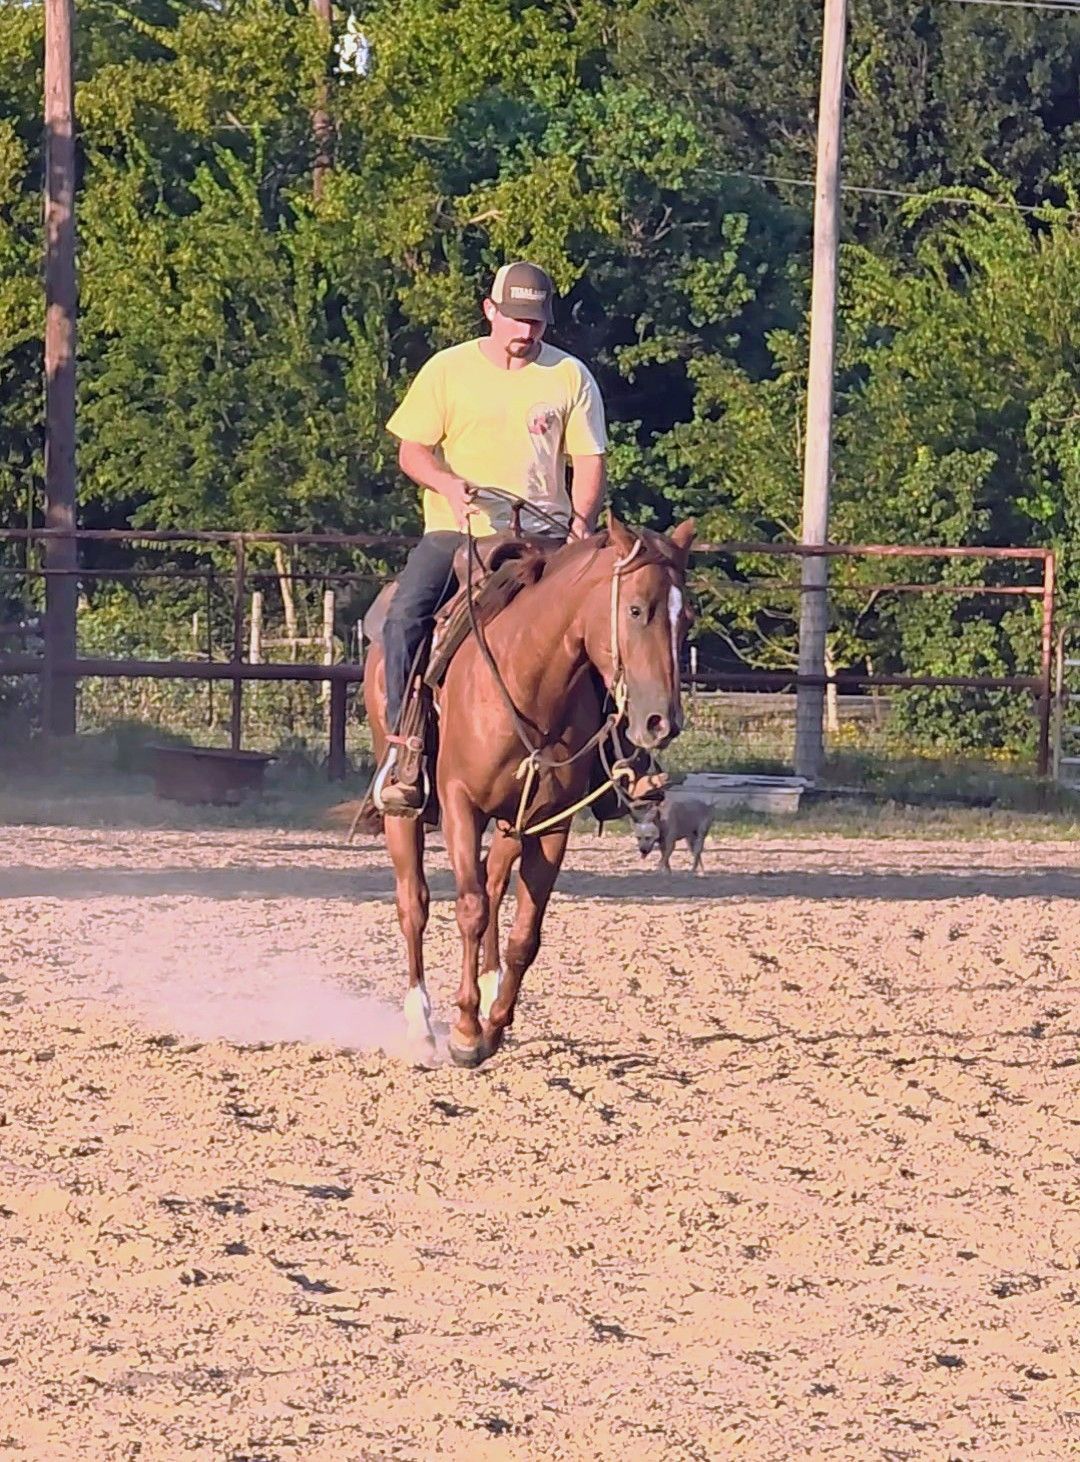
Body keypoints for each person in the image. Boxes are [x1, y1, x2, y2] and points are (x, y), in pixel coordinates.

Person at [376, 261, 608, 814]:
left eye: (536, 322)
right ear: (490, 311)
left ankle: (618, 760)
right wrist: (446, 484)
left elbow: (589, 459)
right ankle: (403, 746)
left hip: (545, 537)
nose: (526, 332)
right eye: (516, 319)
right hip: (458, 532)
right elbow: (412, 451)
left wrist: (580, 524)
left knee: (609, 623)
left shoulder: (569, 376)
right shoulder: (447, 370)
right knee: (405, 616)